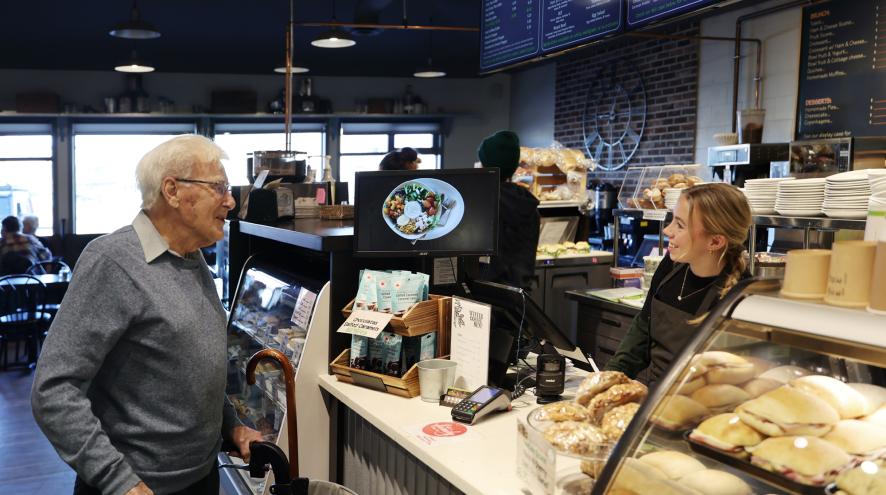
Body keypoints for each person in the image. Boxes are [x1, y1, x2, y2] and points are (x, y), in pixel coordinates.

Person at [32, 135, 263, 495]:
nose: (230, 201)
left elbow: (187, 366)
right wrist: (119, 480)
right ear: (172, 190)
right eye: (219, 187)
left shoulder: (190, 256)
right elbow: (53, 390)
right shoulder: (111, 261)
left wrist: (230, 425)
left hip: (202, 477)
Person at [604, 183, 753, 385]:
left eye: (680, 225)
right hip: (651, 396)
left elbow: (718, 382)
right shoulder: (672, 266)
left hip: (690, 405)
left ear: (715, 242)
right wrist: (610, 378)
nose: (667, 230)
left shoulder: (738, 297)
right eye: (672, 219)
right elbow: (642, 327)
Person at [477, 130, 540, 291]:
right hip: (520, 295)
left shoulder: (483, 203)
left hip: (487, 295)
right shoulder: (528, 204)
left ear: (485, 165)